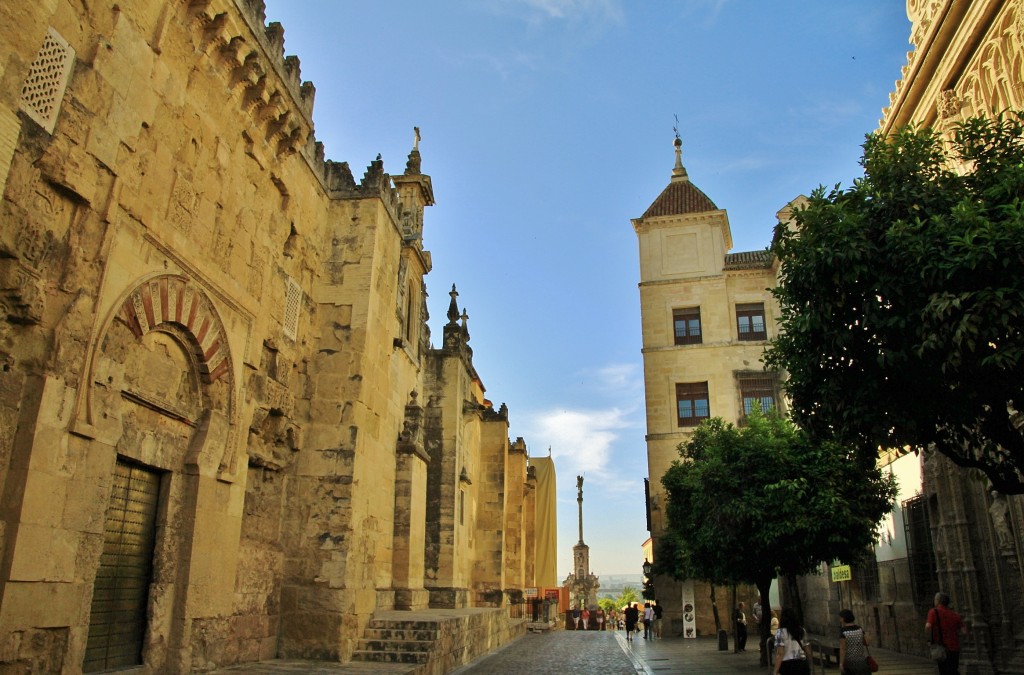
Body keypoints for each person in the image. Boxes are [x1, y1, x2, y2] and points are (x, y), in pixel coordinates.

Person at [925, 592, 967, 675]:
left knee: (944, 670)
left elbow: (928, 626)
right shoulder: (955, 615)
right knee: (953, 669)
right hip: (955, 648)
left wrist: (929, 640)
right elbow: (964, 632)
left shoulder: (933, 612)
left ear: (938, 601)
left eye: (935, 599)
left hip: (942, 647)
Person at [774, 607, 812, 675]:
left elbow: (780, 653)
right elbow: (808, 651)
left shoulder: (780, 633)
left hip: (788, 665)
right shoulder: (801, 631)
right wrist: (809, 664)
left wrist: (775, 671)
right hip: (802, 664)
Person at [838, 609, 871, 675]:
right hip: (862, 662)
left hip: (849, 663)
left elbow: (843, 649)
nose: (840, 620)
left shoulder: (843, 632)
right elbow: (866, 643)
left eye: (840, 618)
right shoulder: (859, 629)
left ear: (843, 619)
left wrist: (841, 663)